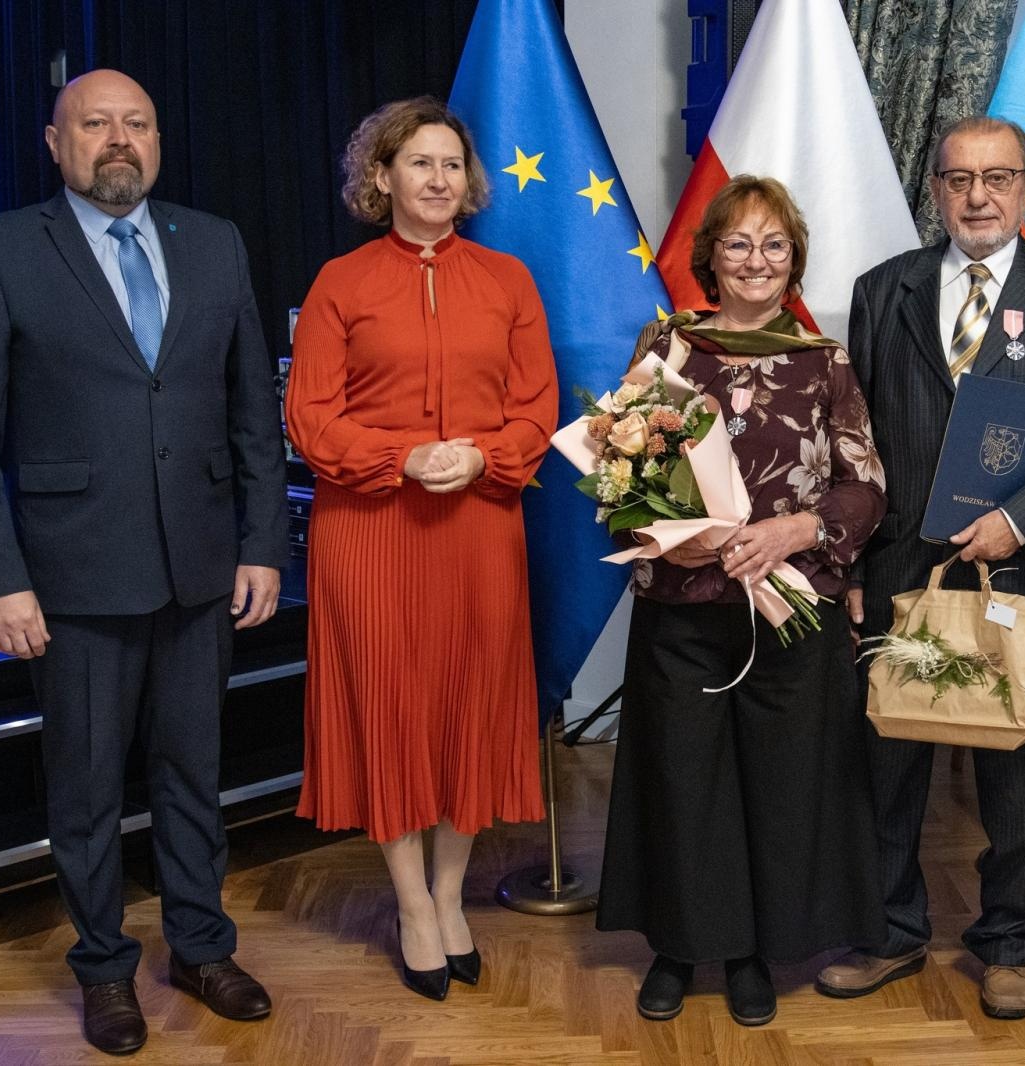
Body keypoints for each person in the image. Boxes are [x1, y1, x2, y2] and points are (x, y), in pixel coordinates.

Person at [0, 70, 287, 1055]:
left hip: (202, 570)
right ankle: (103, 969)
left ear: (159, 141)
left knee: (193, 773)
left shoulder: (213, 242)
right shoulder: (0, 249)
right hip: (73, 578)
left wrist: (263, 542)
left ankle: (202, 948)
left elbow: (253, 414)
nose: (119, 138)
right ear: (57, 143)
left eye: (137, 123)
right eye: (96, 123)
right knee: (84, 791)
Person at [816, 116, 1025, 1020]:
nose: (978, 196)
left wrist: (1017, 523)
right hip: (900, 576)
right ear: (935, 191)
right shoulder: (884, 289)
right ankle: (890, 934)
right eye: (959, 179)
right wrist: (850, 569)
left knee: (1024, 783)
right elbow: (856, 443)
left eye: (998, 178)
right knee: (885, 773)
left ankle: (1006, 946)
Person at [595, 175, 887, 1027]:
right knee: (684, 780)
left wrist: (796, 530)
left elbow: (866, 485)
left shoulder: (826, 360)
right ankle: (680, 948)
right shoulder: (670, 346)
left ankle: (756, 951)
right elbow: (622, 467)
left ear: (794, 259)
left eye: (773, 245)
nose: (756, 260)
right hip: (684, 604)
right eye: (738, 243)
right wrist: (679, 534)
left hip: (792, 608)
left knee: (781, 783)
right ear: (710, 258)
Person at [284, 97, 557, 1003]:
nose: (439, 180)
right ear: (381, 177)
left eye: (451, 164)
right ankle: (410, 904)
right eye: (419, 163)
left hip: (479, 523)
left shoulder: (509, 280)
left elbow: (537, 408)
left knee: (469, 703)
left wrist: (483, 456)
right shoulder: (340, 283)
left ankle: (449, 895)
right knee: (391, 708)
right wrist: (399, 457)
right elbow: (309, 417)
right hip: (371, 528)